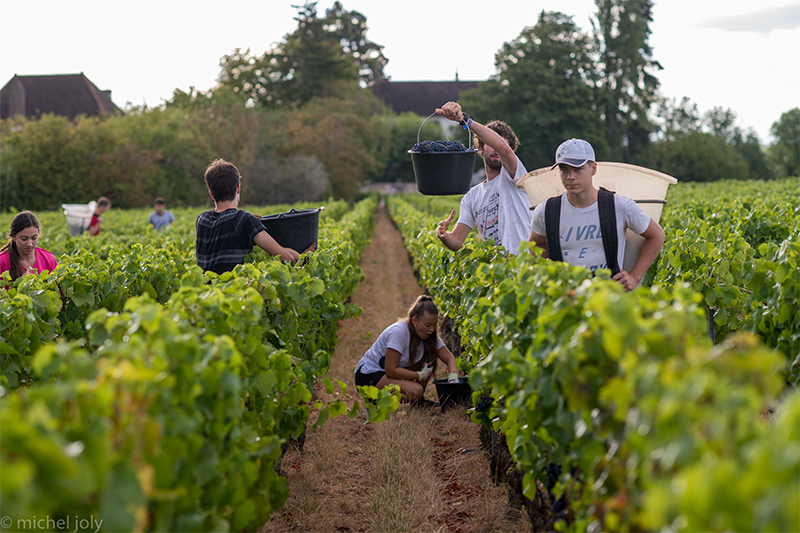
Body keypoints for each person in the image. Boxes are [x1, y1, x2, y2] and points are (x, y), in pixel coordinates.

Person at [528, 138, 665, 291]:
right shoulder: (547, 211)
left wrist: (634, 277)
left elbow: (657, 235)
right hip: (566, 302)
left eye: (577, 169)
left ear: (593, 169)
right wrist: (548, 277)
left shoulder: (618, 206)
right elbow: (535, 244)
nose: (570, 176)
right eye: (564, 169)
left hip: (609, 301)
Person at [434, 101, 533, 255]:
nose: (497, 149)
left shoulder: (515, 176)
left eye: (501, 145)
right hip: (496, 273)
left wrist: (464, 120)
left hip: (524, 268)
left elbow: (503, 149)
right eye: (489, 144)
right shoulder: (471, 197)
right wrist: (444, 235)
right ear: (480, 148)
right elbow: (457, 240)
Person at [195, 158, 299, 274]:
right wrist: (300, 256)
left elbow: (225, 226)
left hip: (207, 291)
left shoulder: (202, 219)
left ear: (211, 195)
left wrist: (249, 223)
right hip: (234, 290)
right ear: (238, 188)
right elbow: (285, 257)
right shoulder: (243, 219)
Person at [354, 295, 459, 406]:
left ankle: (418, 402)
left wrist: (453, 377)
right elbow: (391, 370)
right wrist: (418, 375)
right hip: (368, 376)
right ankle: (373, 400)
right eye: (428, 325)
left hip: (386, 375)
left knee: (430, 358)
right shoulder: (399, 332)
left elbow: (449, 358)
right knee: (415, 391)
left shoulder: (429, 335)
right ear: (414, 320)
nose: (432, 330)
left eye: (434, 325)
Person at [0, 211, 57, 282]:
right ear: (13, 237)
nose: (30, 244)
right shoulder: (2, 262)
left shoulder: (49, 259)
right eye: (24, 239)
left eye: (34, 238)